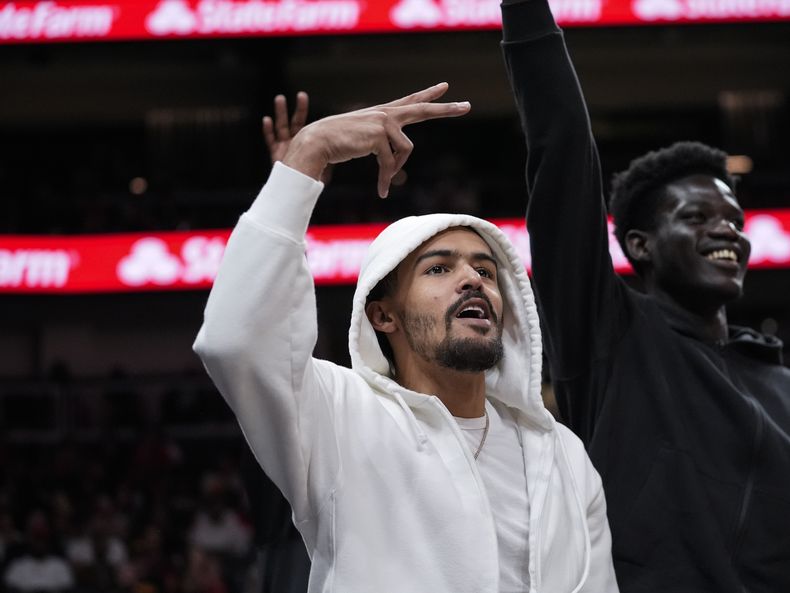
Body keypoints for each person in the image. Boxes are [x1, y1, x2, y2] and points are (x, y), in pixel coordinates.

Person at [194, 83, 618, 592]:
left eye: (486, 270)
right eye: (439, 268)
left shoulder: (562, 454)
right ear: (383, 316)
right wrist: (307, 158)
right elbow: (236, 341)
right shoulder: (339, 415)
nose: (472, 279)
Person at [499, 1, 790, 592]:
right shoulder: (612, 336)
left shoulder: (780, 383)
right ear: (641, 245)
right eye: (697, 216)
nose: (726, 229)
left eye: (734, 218)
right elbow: (561, 153)